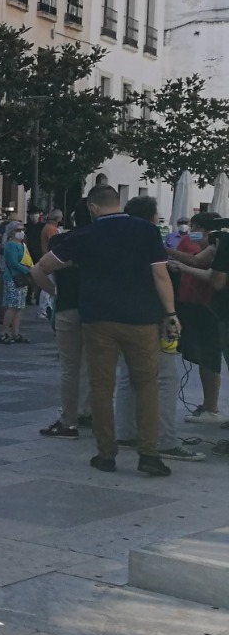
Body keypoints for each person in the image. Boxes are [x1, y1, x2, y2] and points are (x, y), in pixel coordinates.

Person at [33, 184, 179, 478]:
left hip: (98, 320)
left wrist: (56, 294)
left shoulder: (84, 235)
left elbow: (40, 268)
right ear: (118, 202)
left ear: (92, 207)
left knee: (101, 386)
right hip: (142, 319)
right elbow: (160, 275)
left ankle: (106, 453)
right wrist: (171, 313)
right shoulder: (147, 231)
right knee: (146, 385)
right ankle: (149, 454)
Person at [112, 197, 199, 463]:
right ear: (151, 218)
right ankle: (164, 440)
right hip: (149, 317)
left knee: (127, 376)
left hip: (118, 316)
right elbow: (159, 278)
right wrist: (169, 314)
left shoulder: (116, 239)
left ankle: (126, 432)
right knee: (165, 378)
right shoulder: (149, 239)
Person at [40, 204, 93, 440]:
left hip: (67, 305)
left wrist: (54, 292)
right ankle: (89, 411)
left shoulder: (61, 241)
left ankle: (68, 420)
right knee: (94, 364)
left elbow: (38, 270)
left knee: (70, 367)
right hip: (96, 309)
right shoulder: (102, 239)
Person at [172, 212, 220, 427]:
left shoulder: (217, 245)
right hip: (191, 303)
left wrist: (165, 252)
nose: (190, 231)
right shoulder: (190, 241)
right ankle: (208, 404)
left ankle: (211, 406)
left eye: (194, 227)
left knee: (209, 357)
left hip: (207, 306)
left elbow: (197, 262)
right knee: (202, 357)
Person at [0, 221, 30, 344]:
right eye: (18, 230)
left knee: (18, 308)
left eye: (22, 229)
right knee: (12, 307)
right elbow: (13, 262)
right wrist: (27, 270)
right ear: (11, 232)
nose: (21, 232)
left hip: (21, 278)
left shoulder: (22, 244)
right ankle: (4, 333)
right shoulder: (11, 245)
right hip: (13, 278)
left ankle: (15, 333)